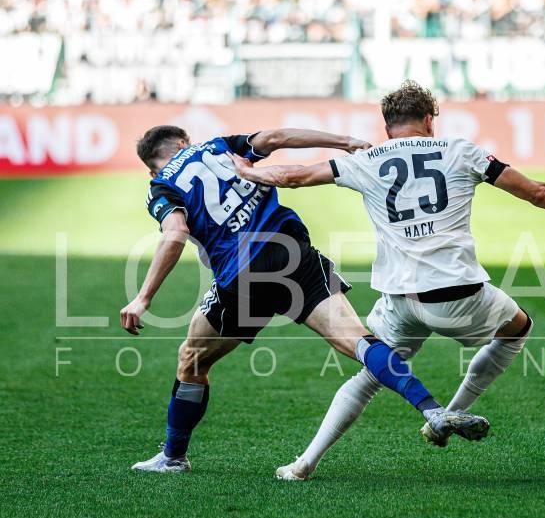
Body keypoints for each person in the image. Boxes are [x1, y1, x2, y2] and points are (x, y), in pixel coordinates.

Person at [228, 80, 545, 481]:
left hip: (399, 300)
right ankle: (449, 414)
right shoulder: (461, 151)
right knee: (518, 327)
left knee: (369, 377)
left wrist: (248, 171)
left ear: (387, 127)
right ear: (430, 120)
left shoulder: (366, 160)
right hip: (457, 296)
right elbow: (538, 192)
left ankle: (303, 464)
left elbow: (294, 176)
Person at [121, 125, 491, 473]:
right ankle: (432, 410)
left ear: (152, 167)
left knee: (192, 359)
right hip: (292, 253)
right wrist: (346, 142)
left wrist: (142, 297)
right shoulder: (218, 146)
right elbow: (278, 136)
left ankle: (173, 456)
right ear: (183, 143)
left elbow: (175, 232)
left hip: (243, 275)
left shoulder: (162, 185)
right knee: (359, 341)